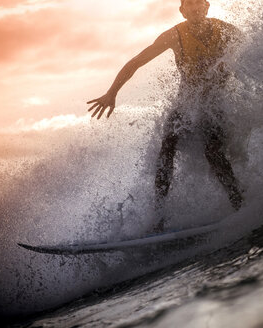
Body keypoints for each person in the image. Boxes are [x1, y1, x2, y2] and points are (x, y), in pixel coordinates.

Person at [87, 0, 244, 231]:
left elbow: (253, 52)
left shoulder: (226, 30)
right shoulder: (173, 36)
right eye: (188, 4)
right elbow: (136, 62)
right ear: (182, 11)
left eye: (197, 2)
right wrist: (112, 92)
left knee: (212, 151)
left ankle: (238, 203)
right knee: (167, 147)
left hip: (216, 103)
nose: (193, 8)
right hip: (186, 103)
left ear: (207, 6)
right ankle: (158, 218)